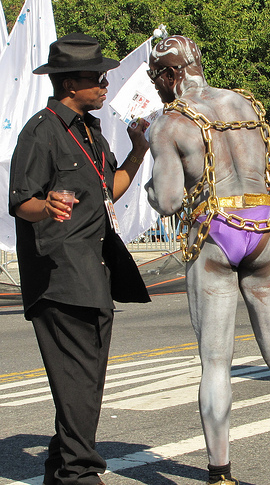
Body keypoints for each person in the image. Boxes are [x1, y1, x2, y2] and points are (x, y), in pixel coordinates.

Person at [144, 35, 270, 485]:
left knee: (216, 363)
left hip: (214, 235)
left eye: (155, 77)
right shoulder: (244, 104)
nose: (156, 86)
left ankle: (220, 474)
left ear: (171, 73)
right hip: (260, 231)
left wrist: (149, 178)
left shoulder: (168, 124)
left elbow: (167, 202)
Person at [9, 33, 150, 485]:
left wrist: (138, 152)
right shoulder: (40, 131)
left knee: (85, 382)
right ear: (71, 83)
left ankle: (60, 468)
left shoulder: (92, 132)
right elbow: (22, 201)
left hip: (96, 272)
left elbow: (109, 190)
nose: (105, 85)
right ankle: (80, 474)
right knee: (78, 380)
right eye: (97, 78)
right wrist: (46, 206)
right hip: (60, 277)